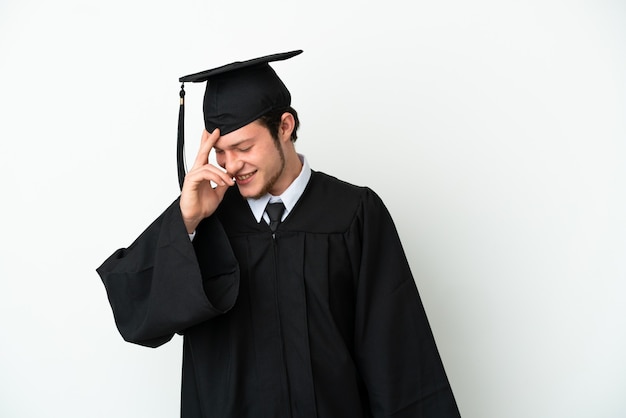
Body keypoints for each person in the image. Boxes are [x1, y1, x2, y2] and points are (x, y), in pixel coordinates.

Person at [97, 50, 461, 418]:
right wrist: (186, 219)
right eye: (220, 153)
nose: (232, 165)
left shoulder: (353, 215)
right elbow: (137, 315)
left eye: (243, 147)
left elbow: (400, 358)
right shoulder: (204, 223)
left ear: (284, 126)